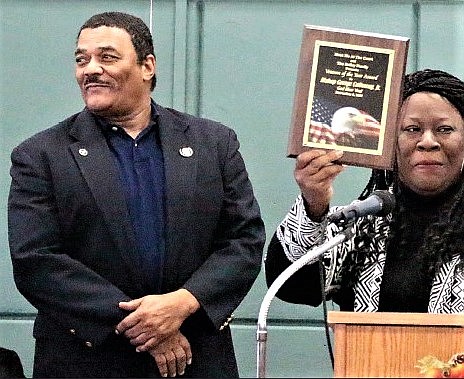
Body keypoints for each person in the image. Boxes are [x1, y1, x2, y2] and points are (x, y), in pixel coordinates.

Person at [8, 11, 265, 378]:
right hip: (87, 359)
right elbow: (36, 260)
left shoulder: (213, 144)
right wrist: (148, 327)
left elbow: (243, 240)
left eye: (107, 57)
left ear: (148, 66)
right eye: (81, 60)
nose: (90, 69)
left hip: (194, 357)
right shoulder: (41, 155)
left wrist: (182, 303)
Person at [265, 69, 464, 314]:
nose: (427, 141)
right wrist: (313, 205)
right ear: (390, 142)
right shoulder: (362, 224)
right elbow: (292, 286)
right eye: (412, 129)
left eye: (444, 129)